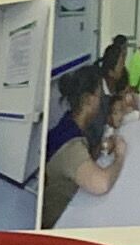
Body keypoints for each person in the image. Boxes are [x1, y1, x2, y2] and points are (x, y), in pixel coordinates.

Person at [44, 76, 122, 224]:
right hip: (60, 221)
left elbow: (84, 157)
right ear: (88, 99)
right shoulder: (70, 144)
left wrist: (102, 147)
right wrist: (120, 155)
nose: (101, 100)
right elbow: (102, 184)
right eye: (99, 95)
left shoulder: (69, 122)